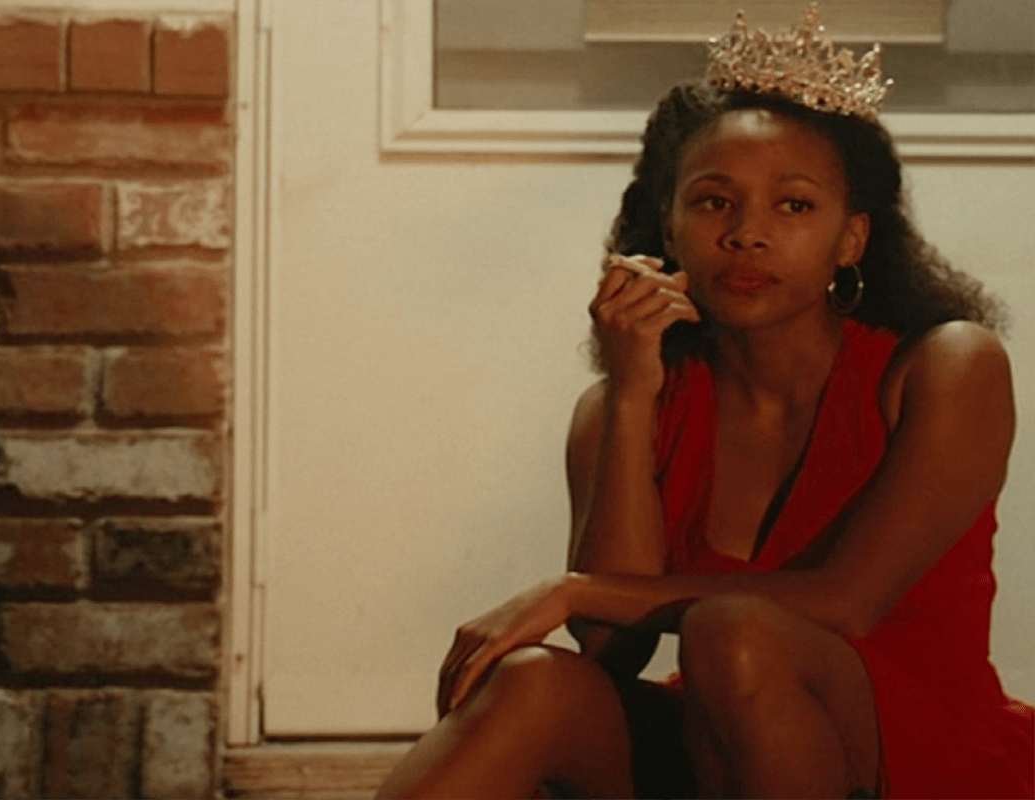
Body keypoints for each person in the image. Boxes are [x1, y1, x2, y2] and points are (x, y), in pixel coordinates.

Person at [375, 5, 1035, 799]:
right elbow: (609, 644)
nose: (747, 234)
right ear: (670, 226)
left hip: (922, 758)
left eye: (793, 205)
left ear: (851, 239)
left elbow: (849, 603)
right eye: (715, 202)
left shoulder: (947, 367)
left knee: (736, 631)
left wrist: (569, 586)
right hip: (728, 750)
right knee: (529, 682)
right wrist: (632, 396)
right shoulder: (627, 406)